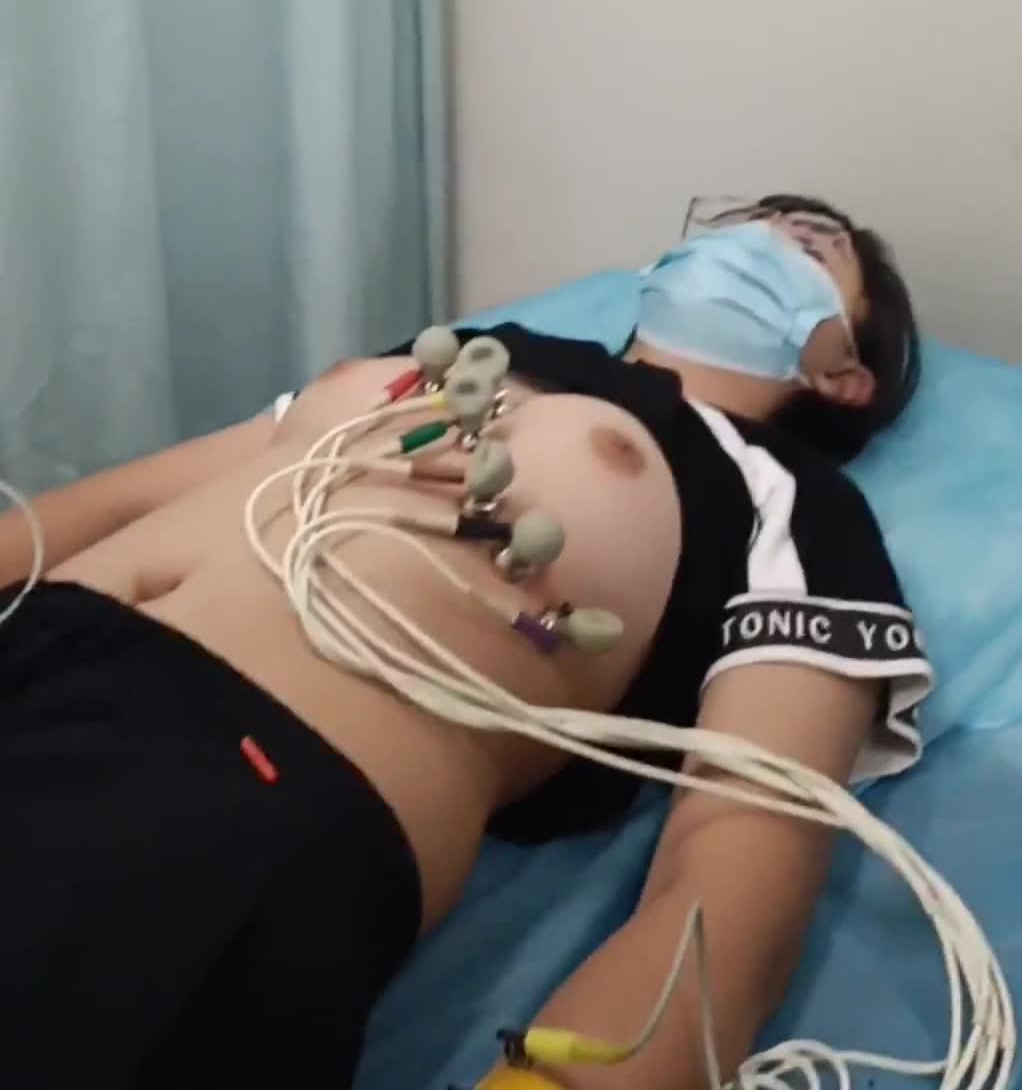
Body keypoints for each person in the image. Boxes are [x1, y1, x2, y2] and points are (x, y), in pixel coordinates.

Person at [0, 193, 930, 1090]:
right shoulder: (476, 355)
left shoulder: (794, 502)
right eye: (741, 224)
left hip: (228, 770)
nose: (753, 242)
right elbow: (118, 500)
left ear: (845, 376)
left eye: (810, 246)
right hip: (33, 629)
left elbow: (728, 894)